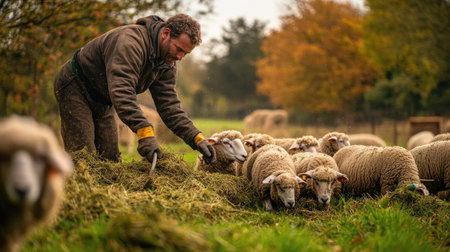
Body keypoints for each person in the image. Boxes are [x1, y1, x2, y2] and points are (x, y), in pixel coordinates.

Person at [53, 14, 216, 164]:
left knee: (110, 159)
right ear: (165, 33)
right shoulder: (130, 42)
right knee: (83, 158)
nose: (180, 57)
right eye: (179, 49)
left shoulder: (167, 63)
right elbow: (122, 91)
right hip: (76, 86)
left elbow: (170, 107)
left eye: (185, 54)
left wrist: (197, 138)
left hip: (104, 98)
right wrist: (144, 132)